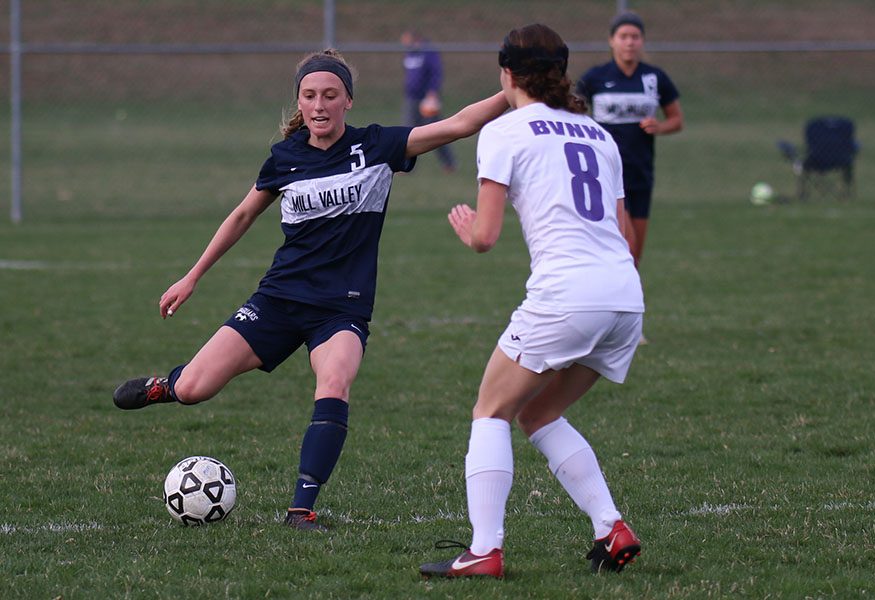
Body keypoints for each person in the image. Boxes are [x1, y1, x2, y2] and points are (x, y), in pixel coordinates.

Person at [112, 49, 508, 532]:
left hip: (340, 308)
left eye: (330, 96)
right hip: (278, 300)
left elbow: (461, 123)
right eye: (309, 96)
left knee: (335, 382)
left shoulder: (378, 146)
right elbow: (241, 216)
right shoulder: (286, 158)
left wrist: (515, 92)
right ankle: (166, 385)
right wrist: (192, 275)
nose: (319, 105)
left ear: (348, 102)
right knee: (196, 388)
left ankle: (301, 508)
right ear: (300, 102)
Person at [419, 24, 644, 579]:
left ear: (506, 72)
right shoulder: (598, 134)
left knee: (490, 411)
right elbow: (623, 232)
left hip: (568, 294)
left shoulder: (504, 132)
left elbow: (486, 238)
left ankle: (484, 551)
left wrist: (466, 227)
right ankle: (610, 526)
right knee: (540, 412)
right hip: (625, 296)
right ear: (561, 74)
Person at [576, 11, 682, 270]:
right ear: (612, 40)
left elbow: (676, 120)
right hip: (607, 173)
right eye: (623, 36)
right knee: (626, 248)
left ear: (642, 41)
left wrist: (660, 126)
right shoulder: (595, 78)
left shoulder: (654, 78)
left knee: (634, 257)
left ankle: (630, 307)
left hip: (641, 172)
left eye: (635, 37)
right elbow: (573, 112)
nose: (630, 42)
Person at [401, 30, 457, 173]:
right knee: (408, 132)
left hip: (427, 98)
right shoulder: (410, 53)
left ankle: (449, 163)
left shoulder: (428, 51)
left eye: (405, 39)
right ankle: (407, 165)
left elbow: (436, 72)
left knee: (435, 132)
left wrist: (432, 93)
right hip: (412, 98)